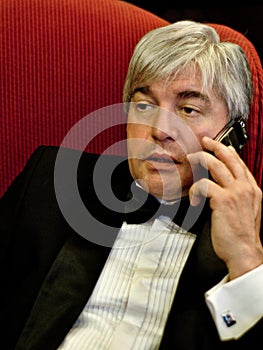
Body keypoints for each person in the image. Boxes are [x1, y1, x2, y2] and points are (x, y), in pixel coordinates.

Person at [0, 20, 262, 350]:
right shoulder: (52, 182)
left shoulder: (250, 248)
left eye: (188, 109)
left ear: (232, 136)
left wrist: (246, 262)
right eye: (144, 105)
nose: (159, 129)